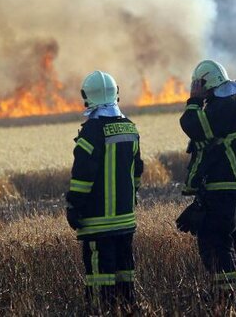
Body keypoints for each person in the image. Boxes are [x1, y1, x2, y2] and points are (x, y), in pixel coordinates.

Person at [65, 70, 143, 313]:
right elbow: (137, 171)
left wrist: (74, 206)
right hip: (125, 221)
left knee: (100, 281)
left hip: (98, 224)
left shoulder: (91, 131)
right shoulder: (129, 128)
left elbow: (82, 176)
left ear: (87, 97)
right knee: (125, 276)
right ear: (116, 94)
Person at [176, 60, 236, 298]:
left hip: (224, 187)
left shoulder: (224, 104)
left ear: (205, 83)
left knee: (217, 244)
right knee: (222, 245)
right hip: (232, 187)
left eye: (200, 86)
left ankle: (230, 300)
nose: (201, 92)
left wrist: (194, 101)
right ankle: (228, 299)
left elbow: (192, 125)